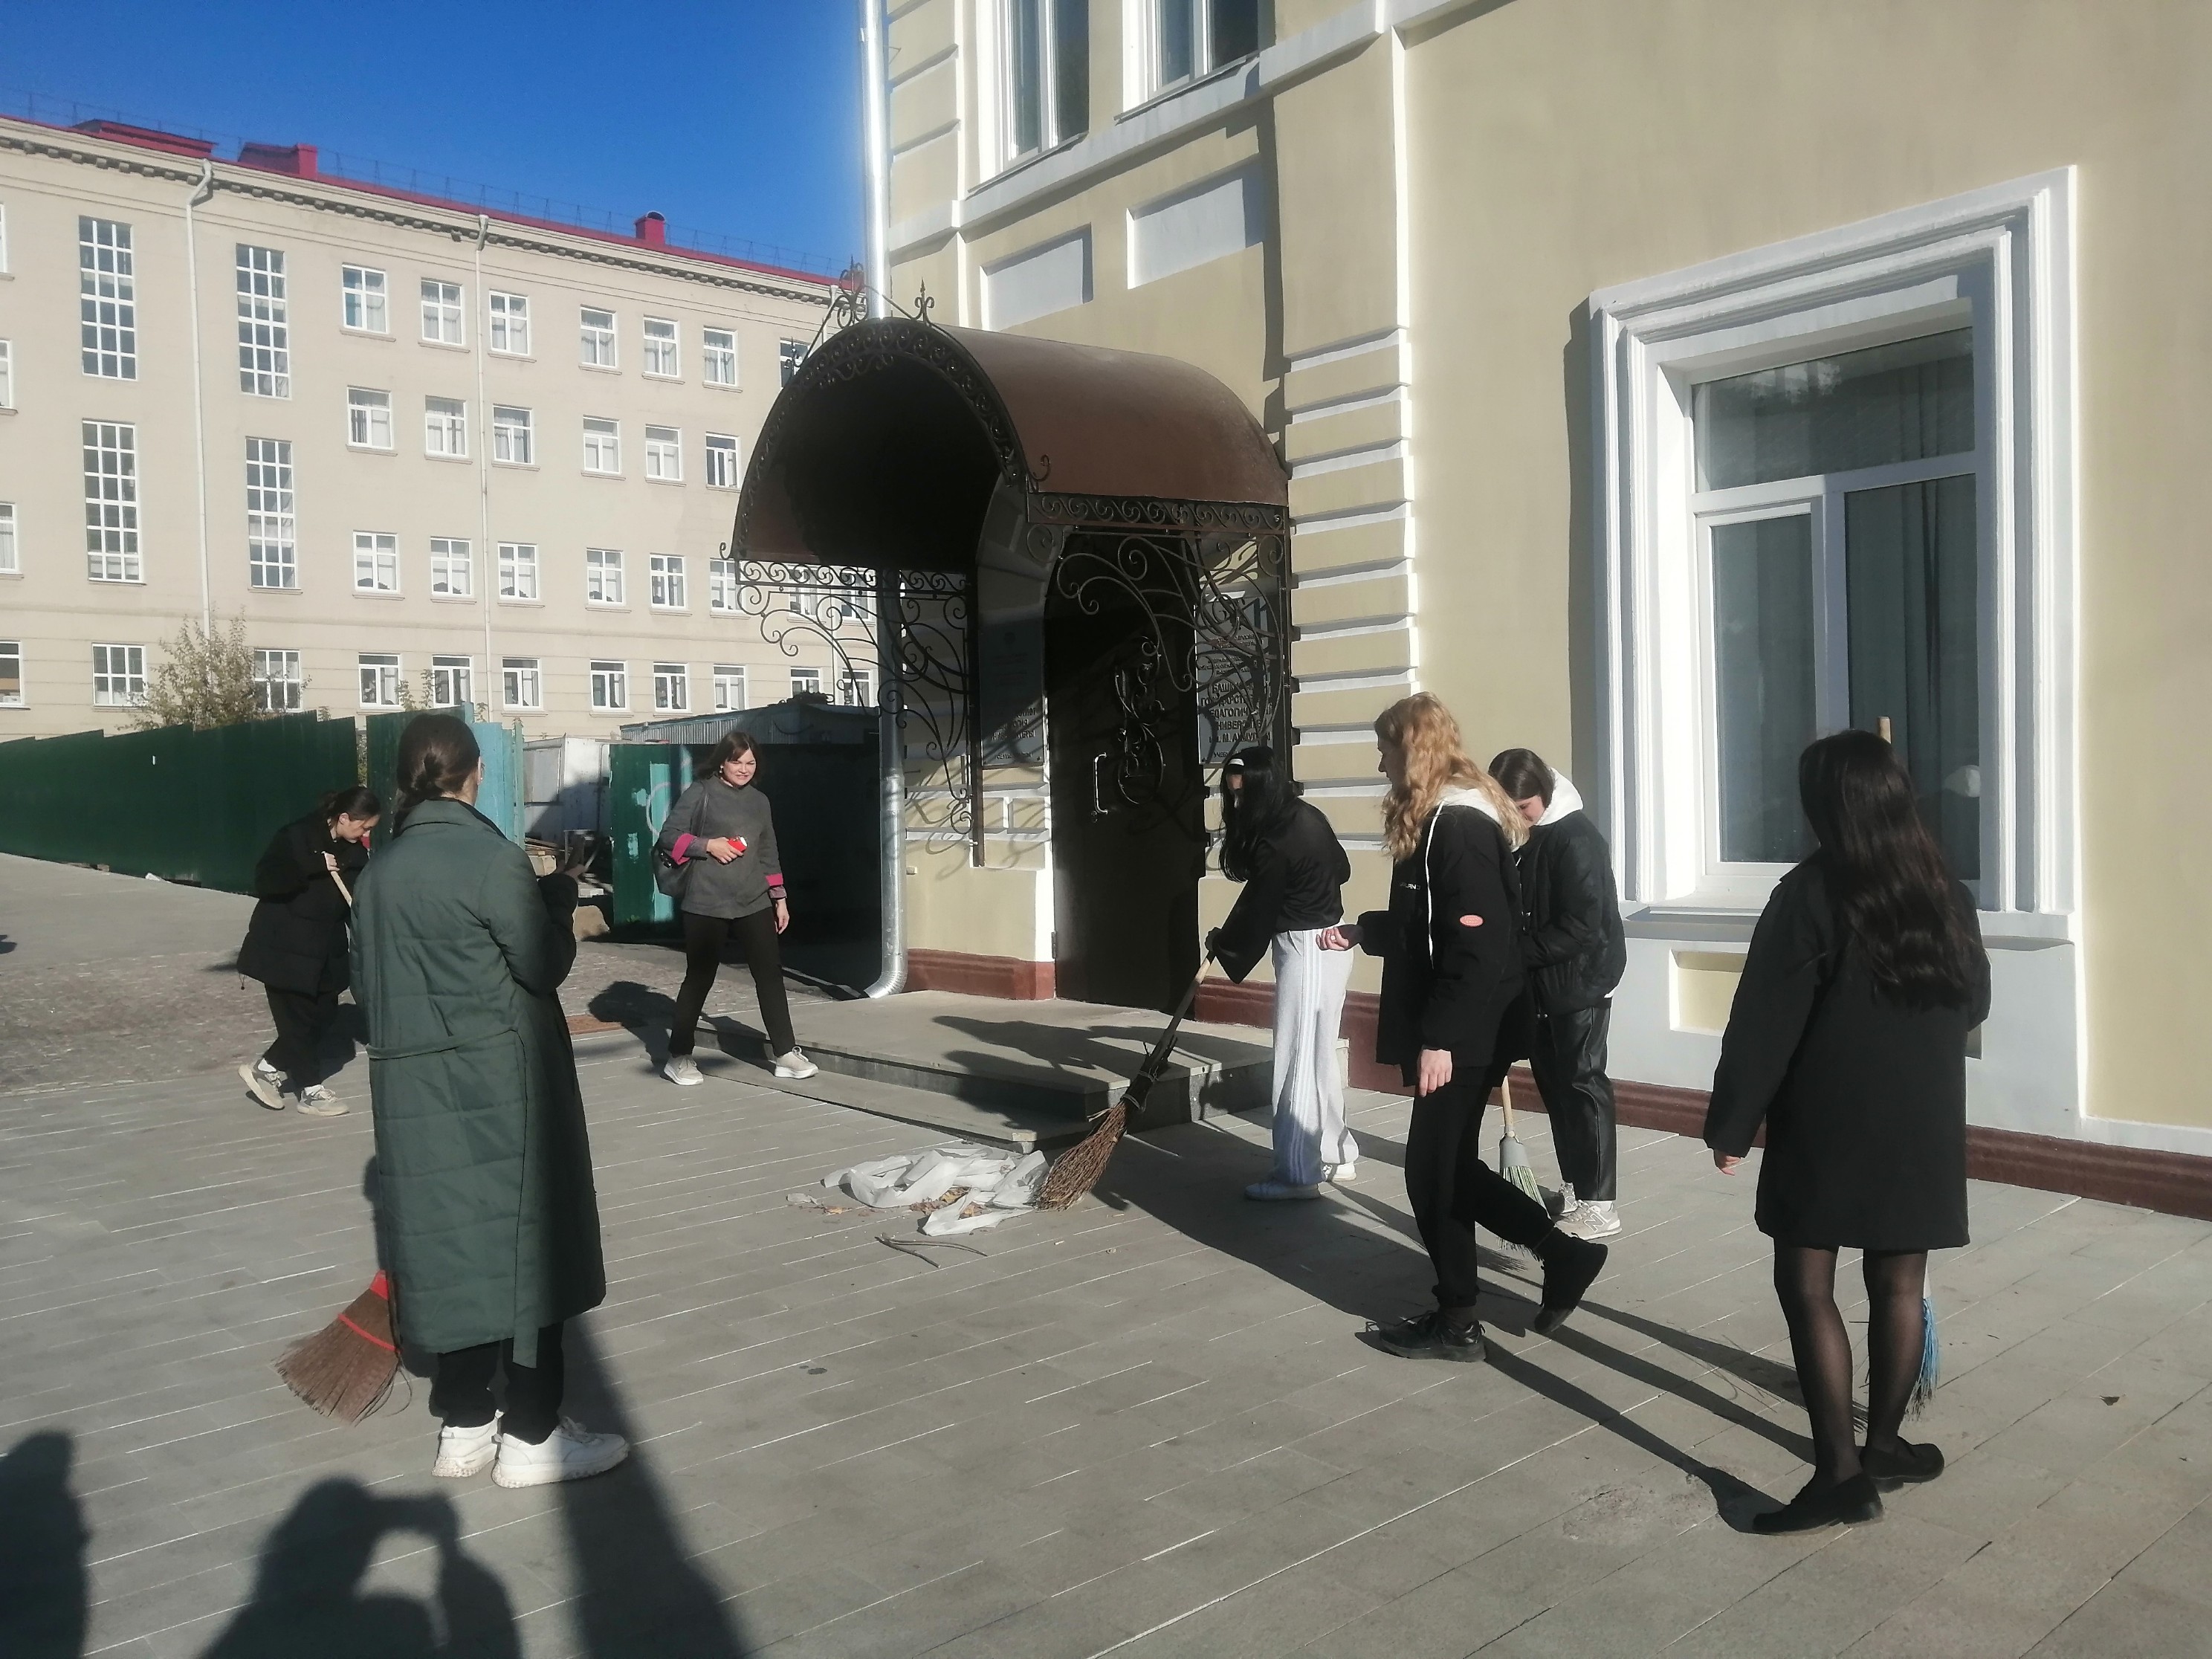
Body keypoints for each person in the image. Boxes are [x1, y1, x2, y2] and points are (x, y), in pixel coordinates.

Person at [1705, 729, 1990, 1533]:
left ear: (1825, 805)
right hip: (1922, 1120)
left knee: (1808, 1283)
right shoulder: (1942, 890)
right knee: (1899, 1284)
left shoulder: (1809, 893)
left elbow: (1763, 1021)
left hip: (1828, 1118)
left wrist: (1733, 1122)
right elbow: (1975, 1002)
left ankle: (1840, 1475)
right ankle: (1885, 1444)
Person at [351, 714, 626, 1488]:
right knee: (529, 1249)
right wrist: (559, 898)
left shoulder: (378, 873)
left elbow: (367, 992)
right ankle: (533, 1434)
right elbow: (540, 965)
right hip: (505, 1086)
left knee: (451, 1251)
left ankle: (465, 1423)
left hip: (412, 1091)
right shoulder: (493, 859)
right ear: (475, 773)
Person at [1321, 693, 1608, 1362]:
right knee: (1445, 1167)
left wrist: (1441, 1039)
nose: (1381, 763)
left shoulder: (1459, 826)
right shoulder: (1440, 820)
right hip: (1464, 1024)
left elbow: (1478, 947)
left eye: (1386, 749)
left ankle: (1460, 1320)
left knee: (1432, 1173)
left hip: (1467, 1029)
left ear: (1412, 750)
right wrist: (1367, 931)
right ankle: (1558, 1257)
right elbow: (1432, 925)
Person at [1205, 745, 1357, 1201]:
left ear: (1262, 788)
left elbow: (1259, 907)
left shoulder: (1277, 838)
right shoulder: (1308, 816)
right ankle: (1336, 1152)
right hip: (1328, 945)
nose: (1236, 803)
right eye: (1232, 794)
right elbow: (1343, 869)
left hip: (1307, 950)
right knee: (1318, 1056)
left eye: (1242, 794)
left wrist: (1224, 944)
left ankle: (1297, 1174)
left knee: (1296, 1060)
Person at [1489, 748, 1628, 1239]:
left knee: (1583, 1085)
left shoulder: (1576, 838)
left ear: (1544, 795)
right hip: (1543, 984)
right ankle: (1576, 1187)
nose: (1517, 816)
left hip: (1581, 982)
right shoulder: (1527, 835)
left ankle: (1601, 1203)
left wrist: (1514, 954)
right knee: (1555, 1087)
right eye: (1509, 808)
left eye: (1524, 807)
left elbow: (1582, 926)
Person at [653, 730, 817, 1084]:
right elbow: (669, 836)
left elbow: (767, 850)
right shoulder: (701, 792)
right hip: (706, 901)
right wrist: (708, 845)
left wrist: (779, 897)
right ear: (722, 763)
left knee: (770, 975)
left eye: (750, 763)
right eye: (736, 761)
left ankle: (785, 1053)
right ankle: (679, 1057)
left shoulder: (760, 801)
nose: (744, 769)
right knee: (700, 977)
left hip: (753, 900)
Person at [236, 786, 381, 1117]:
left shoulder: (354, 853)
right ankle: (311, 1090)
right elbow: (266, 881)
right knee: (297, 1020)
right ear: (343, 818)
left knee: (324, 1014)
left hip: (326, 951)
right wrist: (311, 864)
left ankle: (267, 1068)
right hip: (284, 947)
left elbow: (354, 903)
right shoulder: (297, 837)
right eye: (364, 827)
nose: (366, 834)